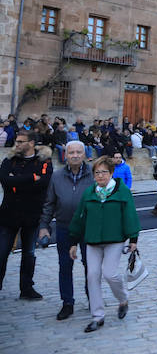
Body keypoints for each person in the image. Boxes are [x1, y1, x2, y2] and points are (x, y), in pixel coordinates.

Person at [68, 155, 140, 333]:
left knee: (110, 274)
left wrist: (133, 239)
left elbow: (130, 214)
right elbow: (79, 217)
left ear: (111, 173)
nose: (100, 176)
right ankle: (97, 316)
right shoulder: (89, 192)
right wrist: (74, 241)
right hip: (92, 240)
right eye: (97, 172)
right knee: (92, 275)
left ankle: (123, 299)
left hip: (114, 239)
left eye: (104, 172)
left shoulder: (122, 191)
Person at [39, 140, 92, 319]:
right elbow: (49, 203)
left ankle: (93, 299)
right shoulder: (57, 176)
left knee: (90, 267)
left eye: (79, 152)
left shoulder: (94, 174)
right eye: (72, 153)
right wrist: (44, 226)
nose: (75, 155)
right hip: (64, 228)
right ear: (66, 155)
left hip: (88, 228)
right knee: (65, 266)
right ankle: (67, 303)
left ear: (84, 154)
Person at [0, 130, 53, 300]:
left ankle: (26, 288)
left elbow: (44, 182)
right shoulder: (10, 160)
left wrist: (18, 180)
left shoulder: (44, 161)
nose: (17, 144)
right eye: (17, 141)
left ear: (31, 143)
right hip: (8, 215)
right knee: (2, 252)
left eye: (21, 141)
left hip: (32, 214)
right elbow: (5, 181)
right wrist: (31, 178)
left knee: (29, 253)